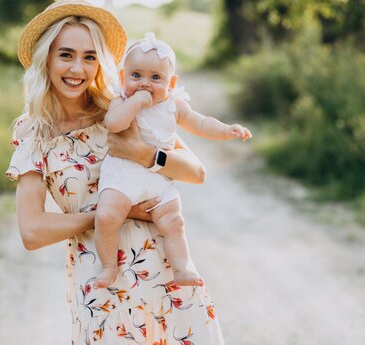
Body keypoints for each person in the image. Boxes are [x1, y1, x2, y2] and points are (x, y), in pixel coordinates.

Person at [6, 1, 250, 345]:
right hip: (100, 283)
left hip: (165, 275)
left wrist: (146, 154)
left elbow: (196, 172)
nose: (77, 69)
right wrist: (110, 213)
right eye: (66, 55)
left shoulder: (122, 108)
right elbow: (32, 231)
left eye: (88, 57)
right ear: (47, 57)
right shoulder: (32, 131)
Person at [94, 32, 251, 290]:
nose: (145, 84)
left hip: (158, 177)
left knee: (174, 221)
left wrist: (226, 130)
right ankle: (109, 266)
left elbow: (200, 123)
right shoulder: (120, 100)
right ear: (123, 78)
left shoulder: (174, 105)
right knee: (107, 216)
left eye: (155, 78)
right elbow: (113, 123)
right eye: (136, 76)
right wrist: (135, 103)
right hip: (122, 174)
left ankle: (183, 268)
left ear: (171, 82)